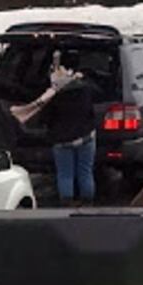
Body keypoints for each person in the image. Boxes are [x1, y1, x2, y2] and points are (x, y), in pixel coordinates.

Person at [33, 55, 106, 205]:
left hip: (61, 140)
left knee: (65, 174)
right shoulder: (85, 88)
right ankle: (87, 204)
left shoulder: (54, 94)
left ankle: (67, 205)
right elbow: (97, 99)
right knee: (85, 172)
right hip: (85, 136)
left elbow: (45, 118)